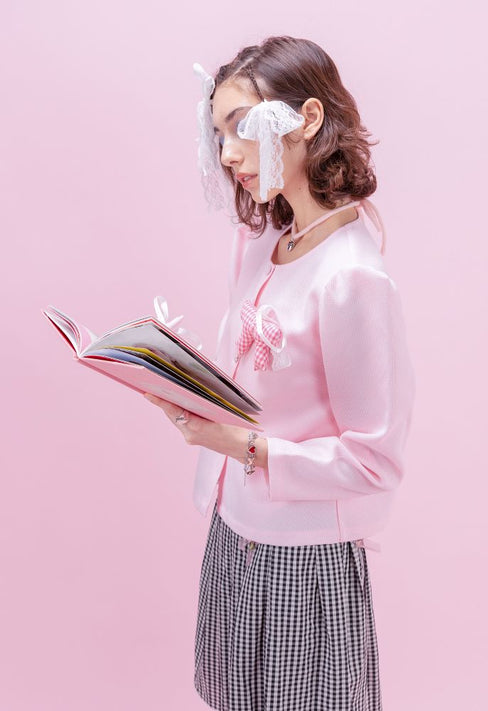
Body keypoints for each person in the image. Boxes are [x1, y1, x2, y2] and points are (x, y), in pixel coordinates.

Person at [144, 35, 416, 711]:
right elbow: (259, 384)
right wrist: (184, 385)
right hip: (232, 527)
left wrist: (240, 445)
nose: (226, 153)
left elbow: (373, 460)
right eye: (218, 132)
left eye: (241, 126)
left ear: (309, 119)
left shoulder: (352, 277)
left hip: (302, 554)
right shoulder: (263, 240)